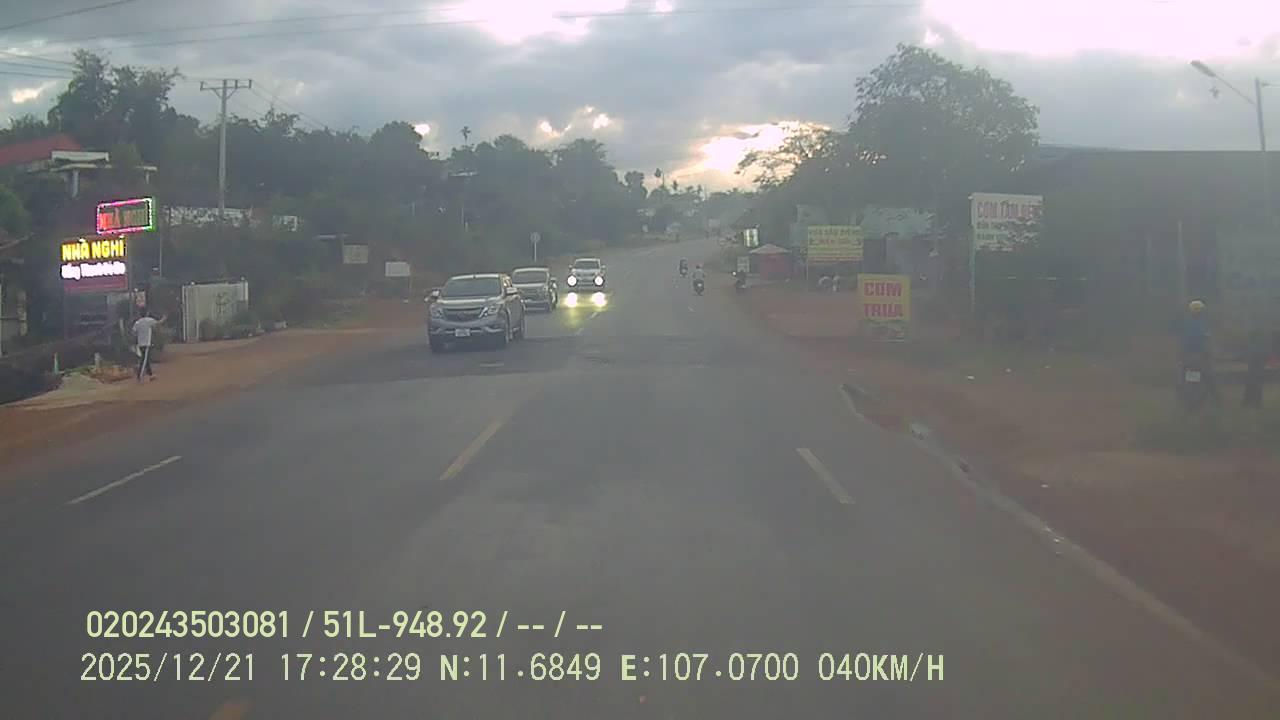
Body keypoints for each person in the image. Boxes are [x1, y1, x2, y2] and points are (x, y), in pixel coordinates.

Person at [132, 308, 163, 382]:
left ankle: (150, 374)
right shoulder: (149, 320)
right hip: (146, 343)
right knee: (144, 360)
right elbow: (158, 323)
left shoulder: (137, 322)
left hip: (140, 343)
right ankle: (139, 376)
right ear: (147, 313)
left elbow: (133, 332)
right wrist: (163, 319)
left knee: (146, 359)